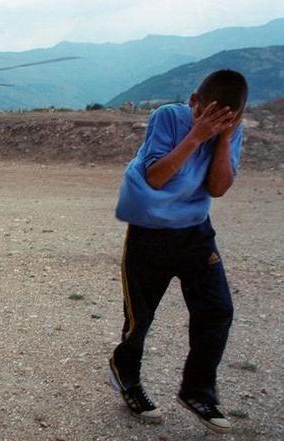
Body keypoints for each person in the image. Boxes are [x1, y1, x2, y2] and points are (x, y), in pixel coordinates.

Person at [108, 69, 247, 434]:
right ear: (194, 102)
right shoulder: (168, 117)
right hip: (149, 231)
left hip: (195, 233)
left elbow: (217, 188)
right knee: (140, 317)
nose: (216, 124)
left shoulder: (231, 130)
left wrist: (223, 138)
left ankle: (197, 391)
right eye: (208, 115)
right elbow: (156, 177)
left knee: (217, 310)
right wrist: (197, 135)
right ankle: (128, 378)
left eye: (228, 119)